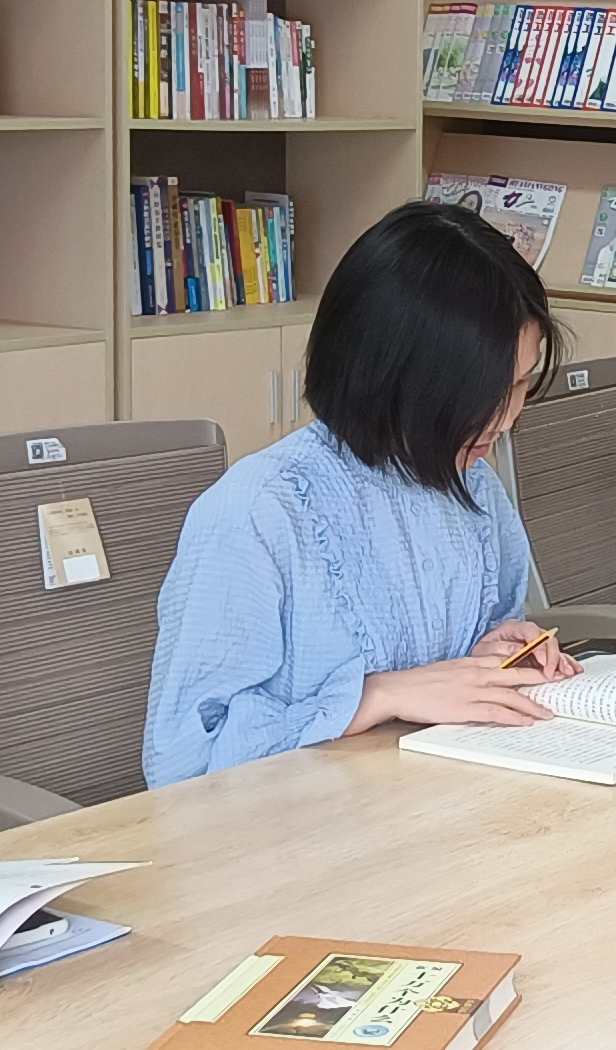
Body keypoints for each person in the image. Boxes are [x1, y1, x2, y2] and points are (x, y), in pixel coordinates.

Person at [145, 199, 572, 782]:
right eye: (480, 393)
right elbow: (183, 763)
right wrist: (375, 695)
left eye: (520, 385)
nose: (504, 421)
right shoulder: (257, 512)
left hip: (435, 797)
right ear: (394, 374)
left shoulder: (472, 480)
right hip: (293, 823)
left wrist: (494, 653)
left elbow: (458, 659)